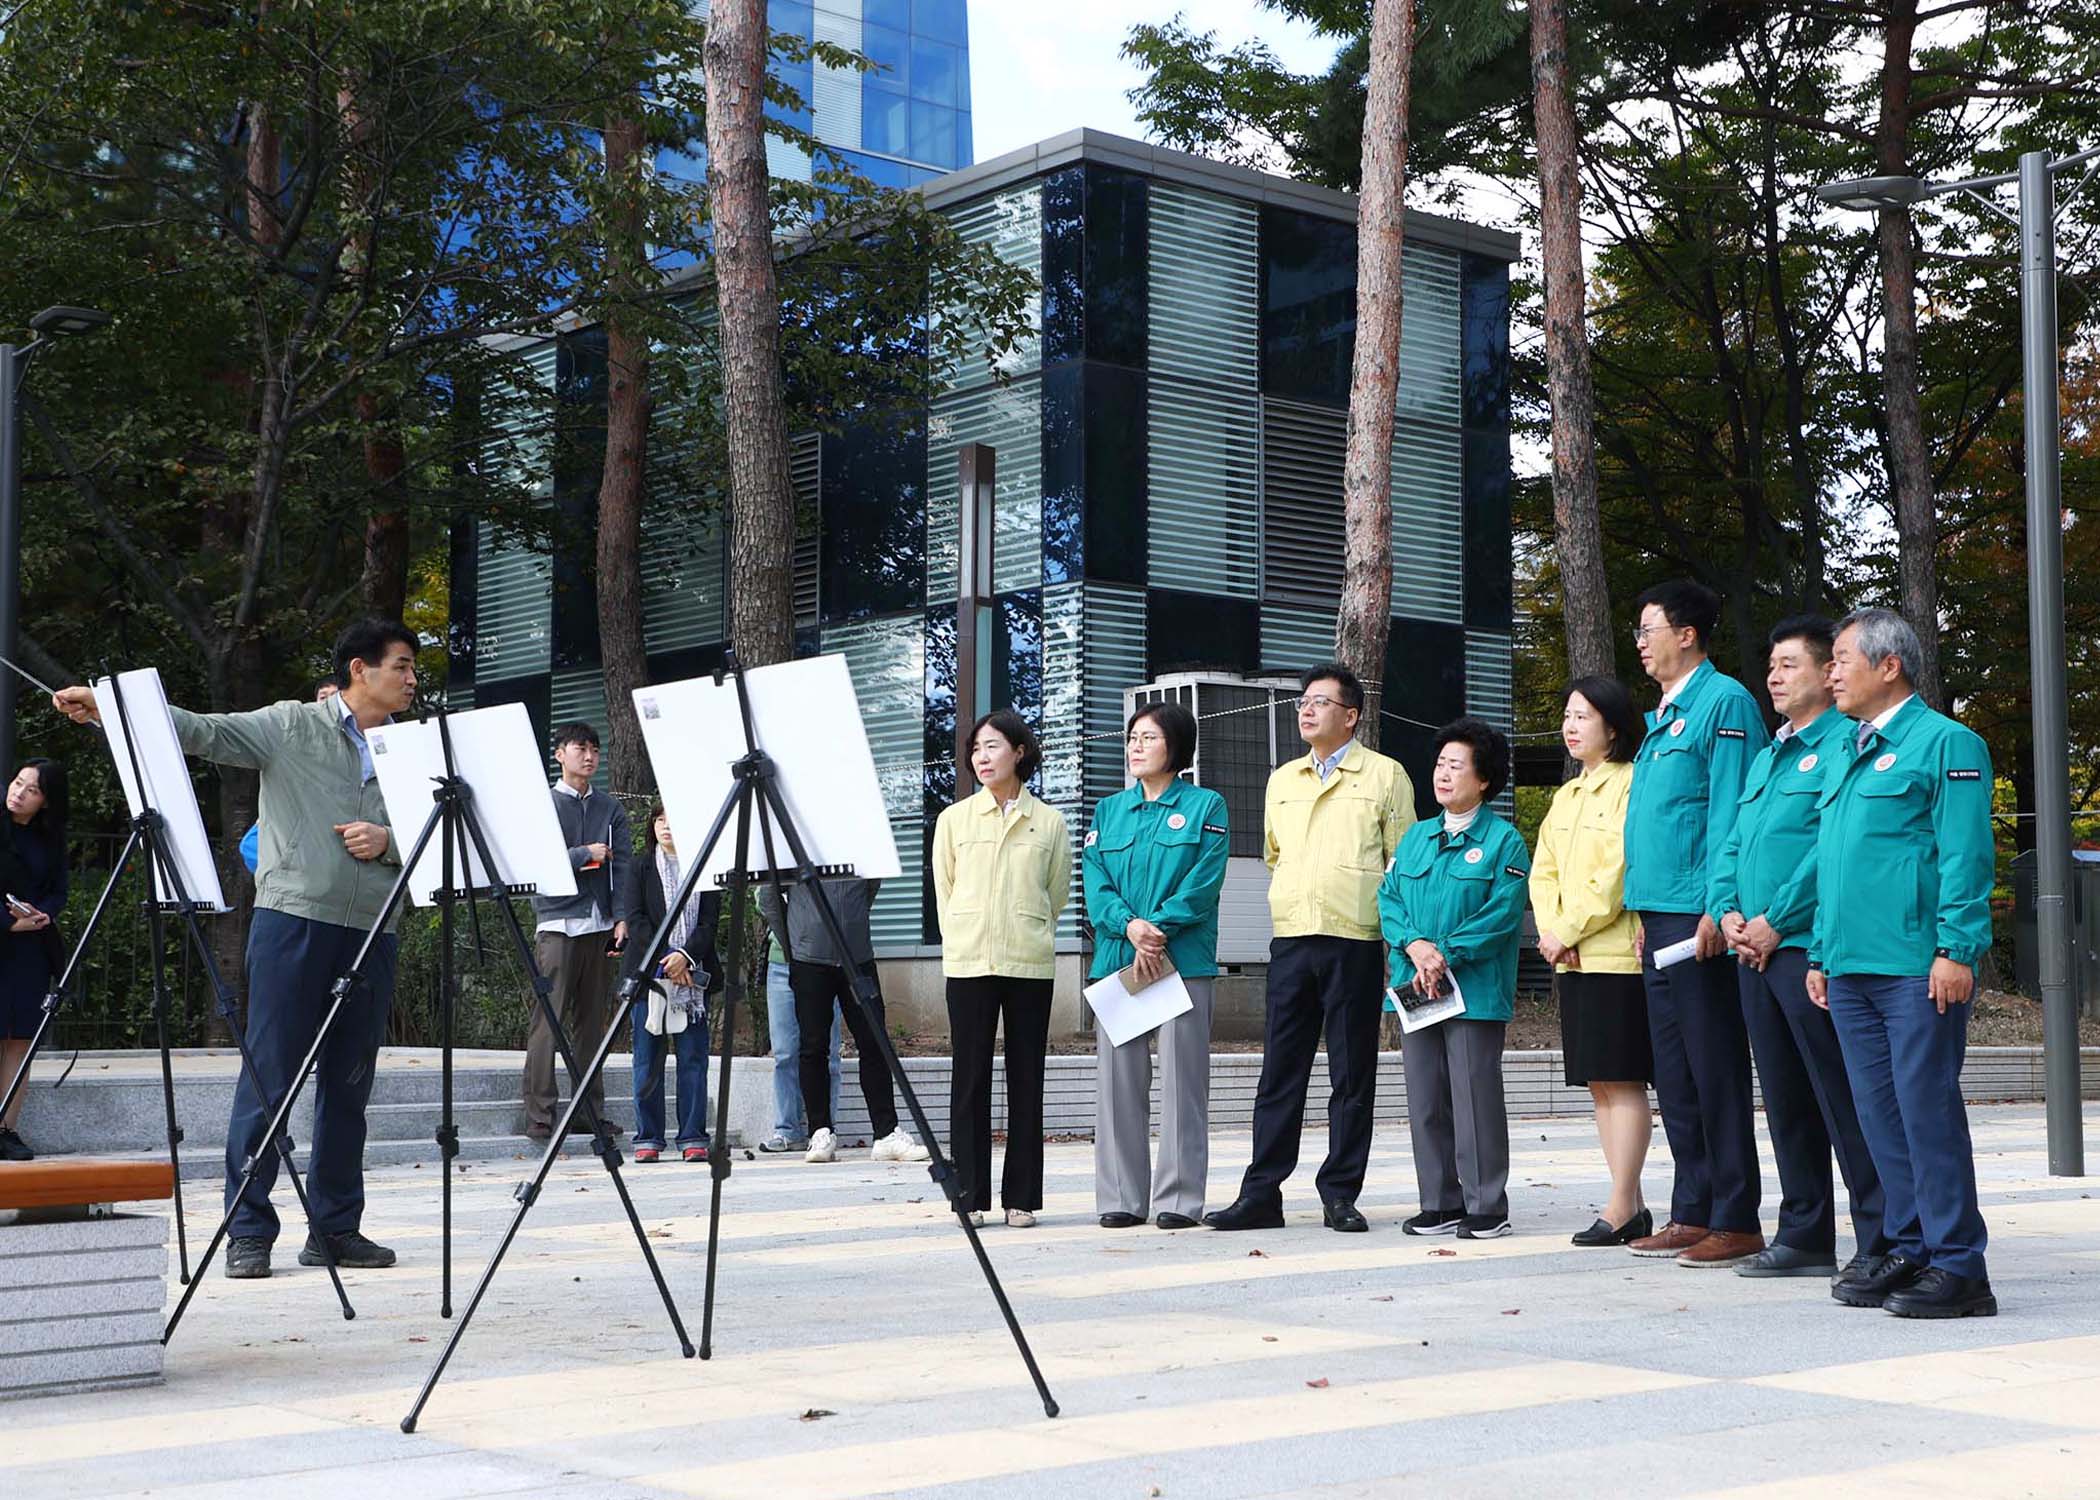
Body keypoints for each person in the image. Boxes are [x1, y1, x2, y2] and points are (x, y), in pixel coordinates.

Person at [54, 618, 416, 1278]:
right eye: (402, 666)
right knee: (270, 1077)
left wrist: (387, 839)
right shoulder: (291, 724)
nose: (413, 679)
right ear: (360, 670)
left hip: (374, 930)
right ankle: (248, 1227)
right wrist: (111, 711)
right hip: (292, 924)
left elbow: (434, 836)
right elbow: (204, 730)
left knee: (349, 1087)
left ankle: (336, 1229)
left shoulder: (409, 752)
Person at [1810, 608, 1997, 1318]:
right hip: (1852, 967)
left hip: (1917, 967)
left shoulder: (1947, 743)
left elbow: (1965, 857)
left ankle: (1960, 1265)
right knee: (1879, 1116)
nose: (1831, 672)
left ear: (1889, 666)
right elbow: (1834, 864)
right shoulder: (1845, 753)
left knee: (1926, 1113)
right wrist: (1823, 951)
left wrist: (1956, 949)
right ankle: (1911, 1247)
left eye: (1841, 659)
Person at [1711, 617, 1891, 1281]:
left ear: (1826, 672)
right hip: (1753, 951)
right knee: (1785, 1098)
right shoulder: (1768, 754)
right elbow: (1733, 843)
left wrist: (1775, 921)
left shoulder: (1849, 744)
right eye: (1771, 665)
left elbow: (1830, 849)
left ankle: (1878, 1236)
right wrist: (1727, 911)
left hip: (1805, 948)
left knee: (1843, 1098)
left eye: (1790, 665)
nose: (1774, 676)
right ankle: (1805, 1234)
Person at [1206, 663, 1414, 1234]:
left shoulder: (1386, 776)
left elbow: (1402, 862)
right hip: (1293, 937)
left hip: (1356, 939)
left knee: (1352, 1073)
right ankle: (1261, 1193)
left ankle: (1340, 1193)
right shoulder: (1283, 779)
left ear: (1350, 715)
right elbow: (1277, 855)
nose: (1306, 709)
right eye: (1304, 701)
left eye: (1321, 702)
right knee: (1279, 1070)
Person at [1622, 580, 1769, 1268]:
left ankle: (1735, 1215)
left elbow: (1732, 811)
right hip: (1659, 914)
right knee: (1674, 1070)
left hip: (1700, 911)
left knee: (1713, 1065)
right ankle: (1692, 1209)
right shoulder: (1665, 716)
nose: (1642, 642)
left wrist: (1720, 901)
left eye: (1648, 629)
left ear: (1687, 634)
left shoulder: (1725, 702)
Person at [1379, 719, 1530, 1239]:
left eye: (1456, 765)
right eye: (1440, 764)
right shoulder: (1417, 837)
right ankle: (1439, 1201)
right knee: (1425, 1098)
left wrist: (1446, 955)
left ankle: (1486, 1203)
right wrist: (1416, 947)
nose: (1443, 774)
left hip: (1473, 989)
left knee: (1473, 1096)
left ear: (1484, 779)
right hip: (1416, 986)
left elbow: (1502, 914)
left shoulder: (1504, 842)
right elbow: (1389, 899)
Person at [1082, 701, 1229, 1231]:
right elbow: (1096, 882)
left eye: (1148, 738)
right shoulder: (1108, 812)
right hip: (1121, 959)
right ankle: (1122, 1197)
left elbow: (1204, 882)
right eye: (1132, 738)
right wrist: (1129, 926)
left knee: (1183, 1082)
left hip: (1181, 960)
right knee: (1118, 1083)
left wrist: (1158, 927)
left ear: (1176, 748)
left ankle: (1179, 1198)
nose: (1135, 747)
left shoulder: (1206, 806)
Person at [933, 710, 1070, 1228]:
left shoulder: (1050, 822)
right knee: (968, 1079)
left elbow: (1054, 894)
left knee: (1025, 1078)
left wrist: (1026, 925)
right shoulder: (954, 820)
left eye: (992, 747)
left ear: (1019, 752)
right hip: (968, 961)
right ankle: (969, 1196)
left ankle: (1022, 1198)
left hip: (1029, 961)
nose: (982, 757)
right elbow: (945, 890)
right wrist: (966, 932)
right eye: (975, 750)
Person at [1531, 677, 1654, 1246]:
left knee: (1623, 1080)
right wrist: (1553, 931)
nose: (1571, 726)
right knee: (1599, 1084)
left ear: (1613, 726)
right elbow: (1544, 871)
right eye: (1568, 715)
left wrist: (1570, 927)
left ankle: (1623, 1203)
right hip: (1573, 958)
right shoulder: (1566, 796)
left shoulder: (1632, 784)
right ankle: (1626, 1199)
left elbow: (1620, 873)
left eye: (1584, 716)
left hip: (1614, 956)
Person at [759, 874, 929, 1165]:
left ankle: (886, 1133)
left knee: (875, 1041)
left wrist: (852, 924)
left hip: (857, 956)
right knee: (813, 1046)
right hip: (808, 959)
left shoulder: (856, 836)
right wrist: (794, 942)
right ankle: (820, 1132)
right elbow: (768, 897)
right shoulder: (793, 837)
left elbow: (871, 884)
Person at [523, 723, 630, 1142]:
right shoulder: (541, 805)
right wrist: (585, 853)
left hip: (599, 925)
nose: (588, 757)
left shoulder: (610, 808)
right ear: (559, 754)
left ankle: (589, 1111)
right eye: (579, 748)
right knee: (547, 1022)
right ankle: (540, 1115)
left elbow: (622, 868)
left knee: (591, 1026)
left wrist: (621, 917)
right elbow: (536, 863)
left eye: (594, 750)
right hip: (557, 925)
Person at [625, 803, 721, 1163]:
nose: (666, 826)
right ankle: (648, 1137)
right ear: (653, 825)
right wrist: (668, 958)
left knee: (693, 1059)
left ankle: (693, 1135)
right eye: (660, 819)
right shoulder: (639, 866)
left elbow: (710, 923)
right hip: (649, 977)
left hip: (692, 980)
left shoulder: (704, 867)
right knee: (647, 1059)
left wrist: (686, 957)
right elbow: (634, 920)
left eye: (673, 819)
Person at [0, 758, 69, 1161]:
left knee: (20, 1040)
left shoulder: (51, 838)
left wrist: (42, 914)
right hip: (6, 936)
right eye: (17, 782)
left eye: (31, 790)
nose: (19, 793)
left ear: (46, 801)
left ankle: (7, 1128)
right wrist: (8, 924)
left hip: (31, 948)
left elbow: (59, 888)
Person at [756, 932, 841, 1154]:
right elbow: (762, 899)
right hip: (781, 960)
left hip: (823, 959)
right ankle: (787, 1130)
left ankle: (825, 1130)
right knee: (784, 1053)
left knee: (828, 1051)